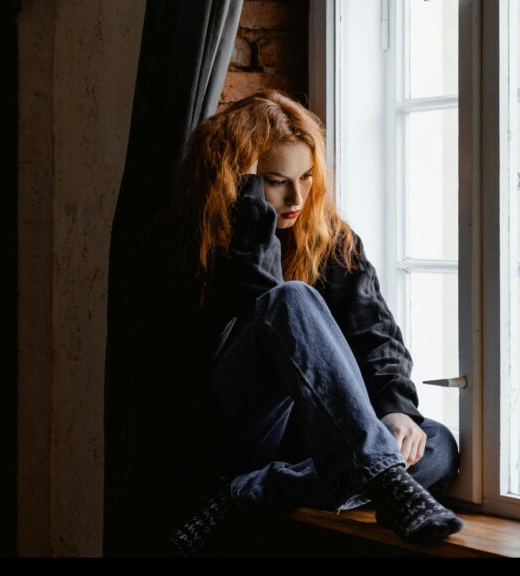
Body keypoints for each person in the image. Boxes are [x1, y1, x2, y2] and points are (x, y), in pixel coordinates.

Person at [126, 88, 463, 557]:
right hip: (230, 431)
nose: (297, 197)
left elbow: (376, 336)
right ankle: (369, 476)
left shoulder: (331, 237)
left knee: (437, 444)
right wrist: (252, 221)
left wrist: (397, 409)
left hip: (308, 445)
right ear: (235, 180)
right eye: (274, 180)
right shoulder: (179, 243)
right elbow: (237, 328)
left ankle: (255, 490)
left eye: (307, 177)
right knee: (289, 299)